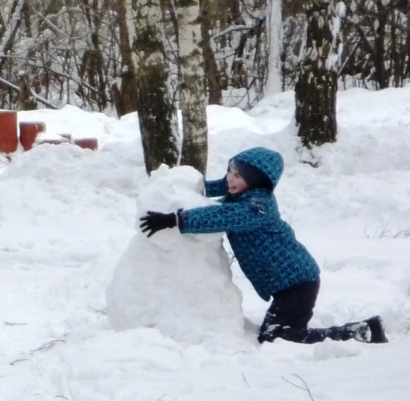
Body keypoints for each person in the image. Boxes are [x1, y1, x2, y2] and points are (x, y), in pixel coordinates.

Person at [138, 147, 386, 345]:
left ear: (256, 183)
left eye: (237, 176)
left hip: (298, 282)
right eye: (230, 172)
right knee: (277, 333)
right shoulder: (239, 192)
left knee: (277, 337)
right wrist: (183, 184)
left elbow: (223, 217)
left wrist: (176, 220)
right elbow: (216, 187)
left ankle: (358, 332)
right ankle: (357, 332)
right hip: (285, 284)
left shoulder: (257, 207)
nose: (229, 179)